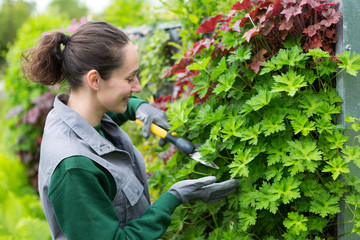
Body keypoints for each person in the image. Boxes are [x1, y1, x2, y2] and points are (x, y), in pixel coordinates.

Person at [21, 20, 238, 240]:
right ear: (95, 80)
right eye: (129, 78)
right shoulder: (74, 168)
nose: (138, 87)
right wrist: (174, 198)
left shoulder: (69, 114)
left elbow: (106, 114)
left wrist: (138, 107)